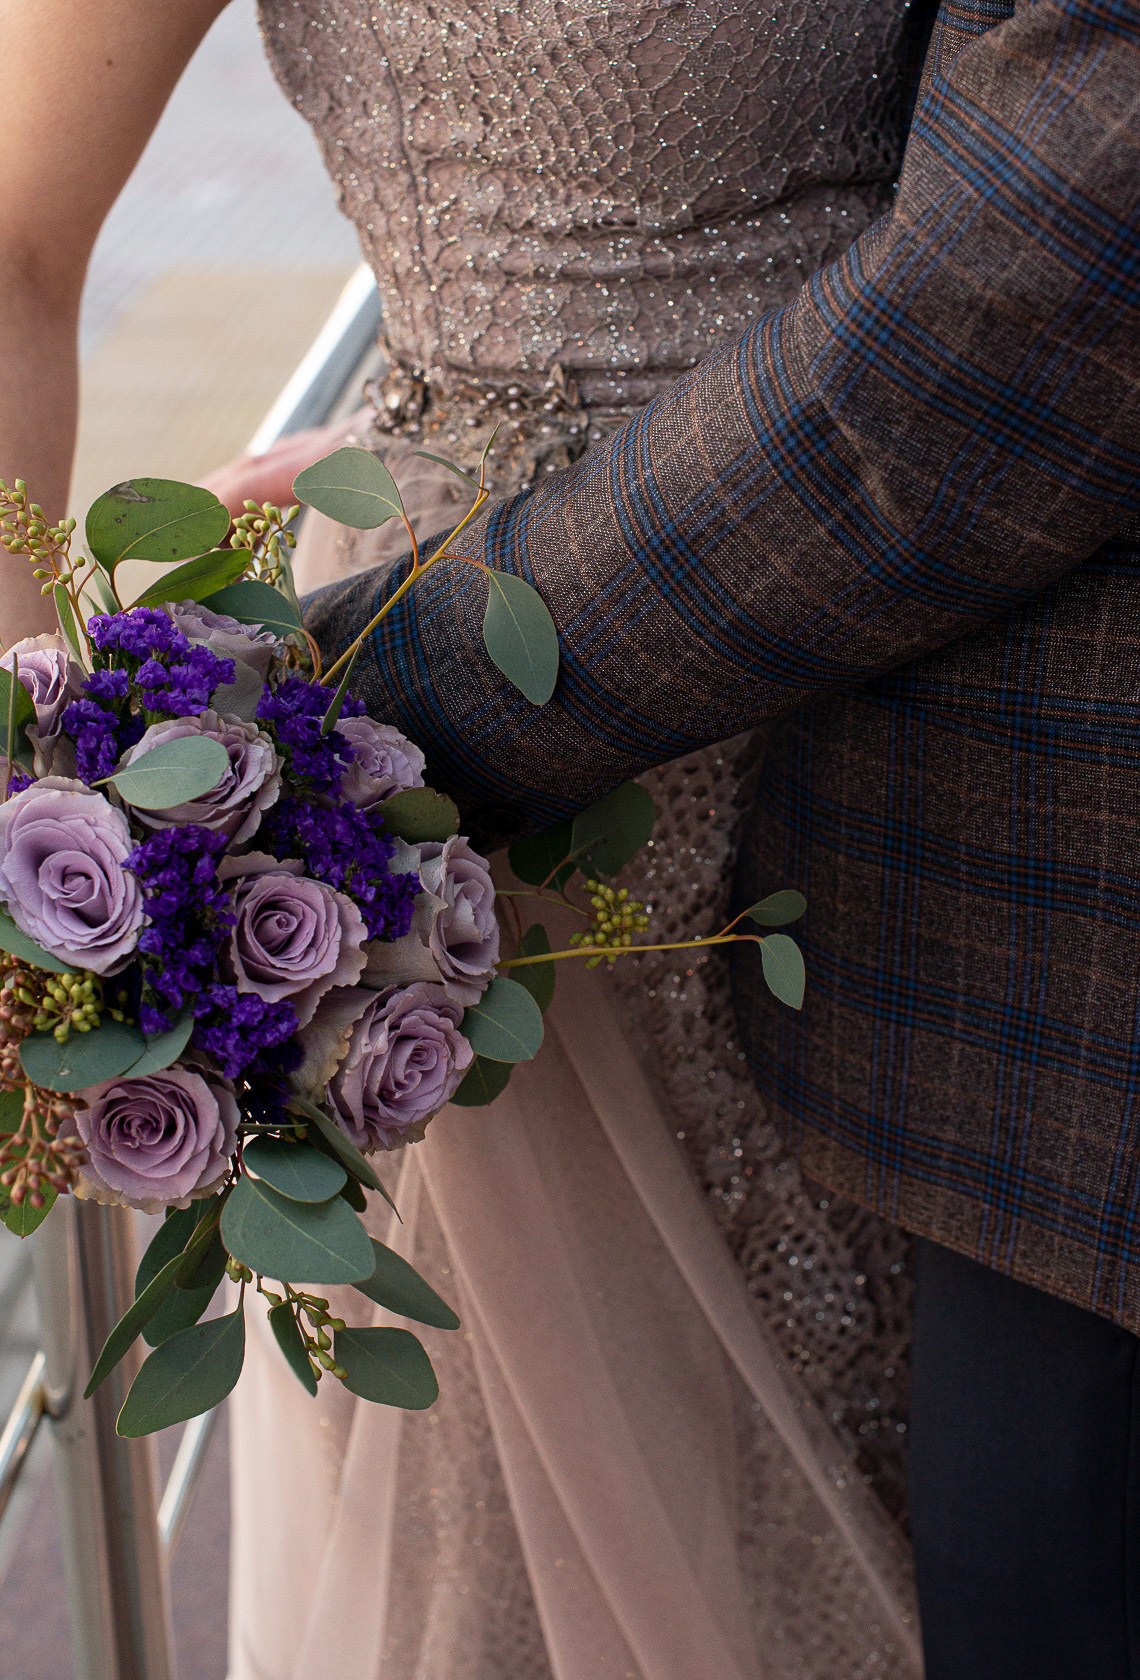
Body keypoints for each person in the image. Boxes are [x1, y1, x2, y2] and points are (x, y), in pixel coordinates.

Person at [1, 0, 1138, 1676]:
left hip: (930, 736)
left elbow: (1029, 232)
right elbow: (18, 238)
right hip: (472, 811)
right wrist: (58, 804)